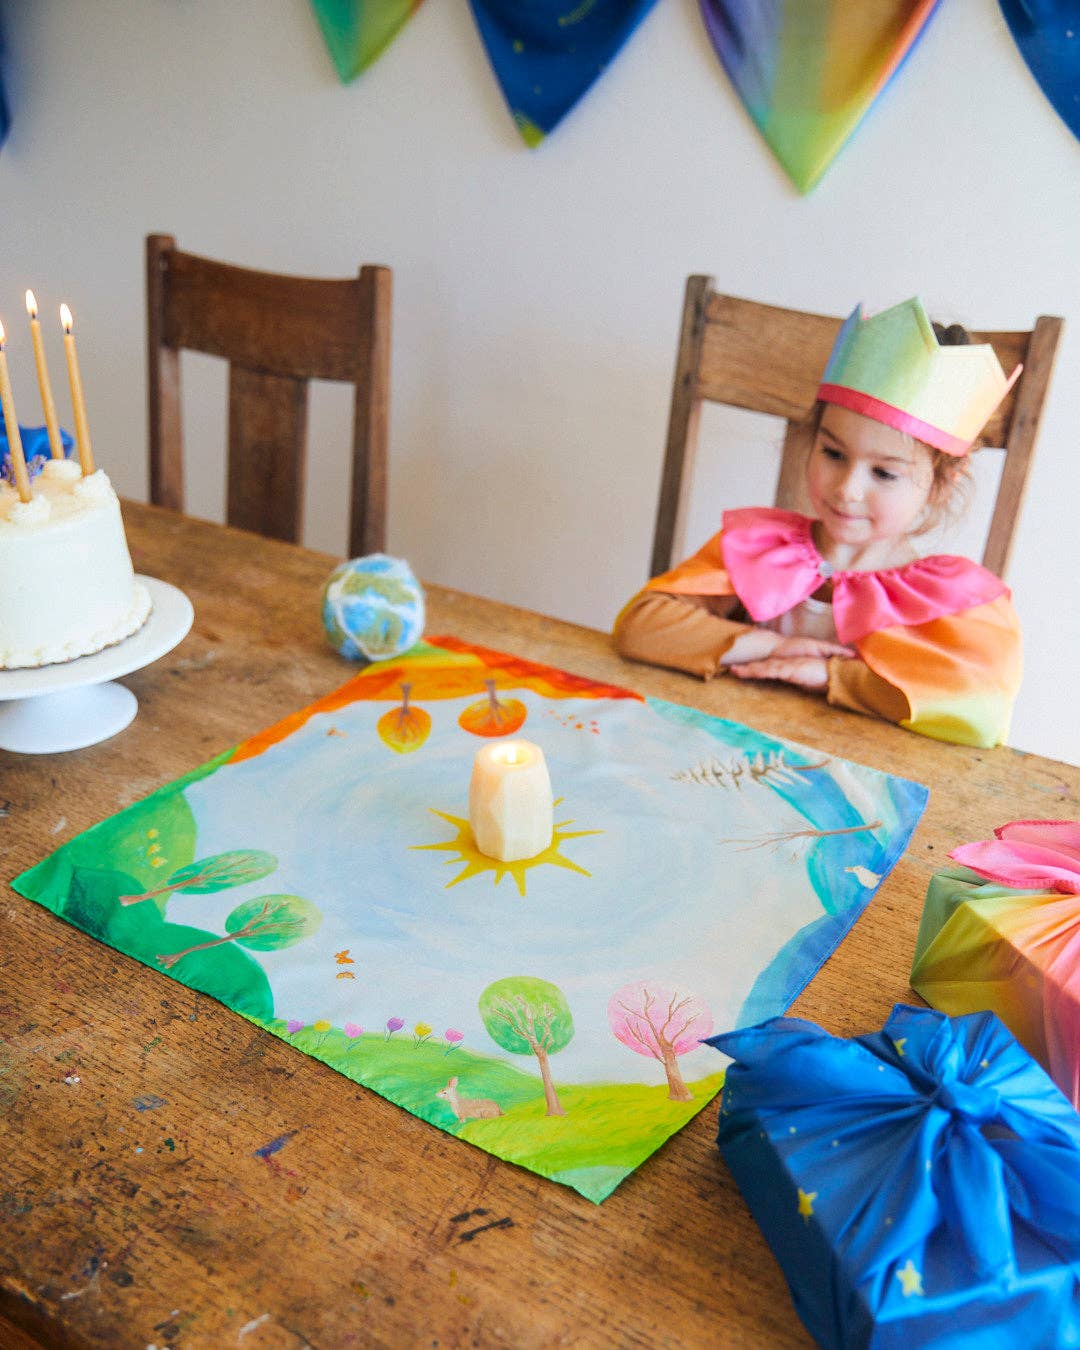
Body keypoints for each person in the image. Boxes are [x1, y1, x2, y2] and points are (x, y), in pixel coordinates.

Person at [613, 298, 1023, 749]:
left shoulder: (949, 599)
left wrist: (832, 675)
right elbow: (641, 625)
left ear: (943, 484)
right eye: (833, 453)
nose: (847, 488)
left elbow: (979, 712)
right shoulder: (763, 549)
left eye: (884, 473)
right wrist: (769, 646)